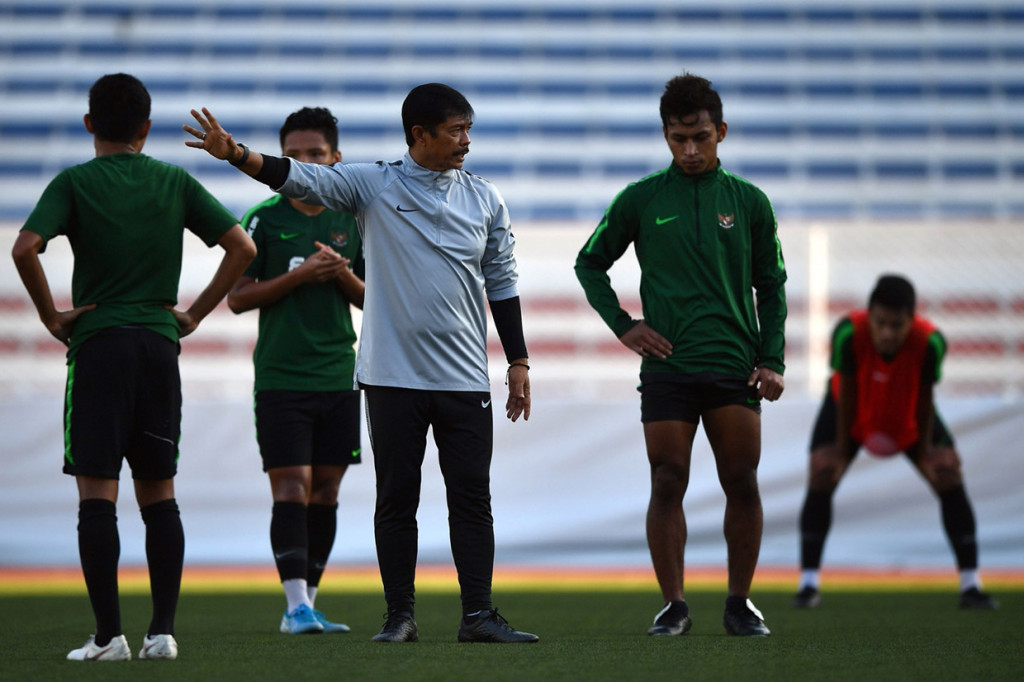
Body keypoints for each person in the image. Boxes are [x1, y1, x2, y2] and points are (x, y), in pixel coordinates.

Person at [184, 83, 538, 644]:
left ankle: (479, 615)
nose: (466, 141)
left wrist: (517, 359)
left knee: (472, 496)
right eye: (455, 130)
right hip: (391, 377)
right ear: (419, 135)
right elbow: (301, 178)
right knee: (397, 498)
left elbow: (503, 281)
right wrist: (238, 154)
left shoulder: (486, 198)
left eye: (468, 129)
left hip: (467, 375)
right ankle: (399, 617)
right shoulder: (374, 184)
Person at [11, 73, 256, 661]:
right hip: (156, 344)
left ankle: (107, 637)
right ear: (147, 128)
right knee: (159, 491)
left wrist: (52, 316)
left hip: (98, 343)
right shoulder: (172, 179)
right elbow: (242, 248)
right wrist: (192, 315)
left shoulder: (74, 182)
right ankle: (162, 633)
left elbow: (24, 248)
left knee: (98, 491)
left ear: (90, 123)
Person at [575, 73, 787, 638]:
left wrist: (774, 360)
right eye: (677, 138)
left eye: (699, 137)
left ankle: (739, 603)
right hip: (668, 366)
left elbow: (772, 285)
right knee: (667, 480)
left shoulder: (749, 202)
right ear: (665, 136)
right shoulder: (641, 198)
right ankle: (674, 605)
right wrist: (624, 326)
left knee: (741, 480)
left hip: (735, 364)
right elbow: (588, 263)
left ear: (720, 131)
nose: (689, 150)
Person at [227, 107, 365, 635]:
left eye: (316, 154)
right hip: (282, 376)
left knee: (326, 491)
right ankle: (293, 606)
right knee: (291, 487)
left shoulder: (353, 220)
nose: (305, 162)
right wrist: (304, 273)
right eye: (295, 154)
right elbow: (238, 300)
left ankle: (309, 601)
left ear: (336, 158)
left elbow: (371, 299)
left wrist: (339, 275)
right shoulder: (264, 217)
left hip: (339, 374)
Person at [793, 274, 999, 610]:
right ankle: (808, 584)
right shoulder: (847, 333)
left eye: (897, 324)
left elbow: (926, 394)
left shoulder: (931, 341)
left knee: (948, 476)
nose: (888, 332)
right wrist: (842, 451)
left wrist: (926, 450)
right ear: (869, 316)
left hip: (907, 410)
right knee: (822, 474)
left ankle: (971, 585)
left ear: (911, 321)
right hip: (850, 408)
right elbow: (846, 391)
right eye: (881, 323)